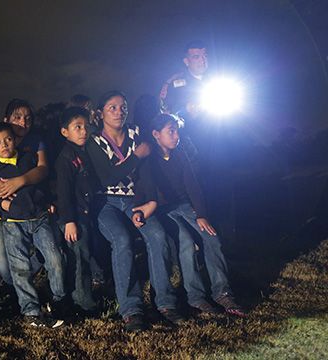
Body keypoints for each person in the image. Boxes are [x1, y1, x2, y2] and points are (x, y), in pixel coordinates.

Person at [85, 90, 184, 331]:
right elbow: (107, 177)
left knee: (157, 235)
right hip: (105, 201)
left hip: (134, 199)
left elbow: (146, 171)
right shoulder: (94, 140)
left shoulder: (135, 132)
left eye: (123, 107)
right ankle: (131, 309)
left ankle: (165, 303)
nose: (119, 112)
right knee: (121, 239)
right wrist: (135, 156)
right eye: (112, 108)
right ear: (100, 113)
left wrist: (150, 201)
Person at [145, 113, 246, 317]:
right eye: (170, 131)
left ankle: (222, 292)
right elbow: (148, 190)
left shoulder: (180, 153)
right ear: (156, 134)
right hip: (163, 209)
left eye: (177, 130)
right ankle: (196, 296)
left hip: (184, 204)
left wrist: (201, 214)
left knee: (211, 237)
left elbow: (193, 185)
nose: (176, 135)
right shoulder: (149, 158)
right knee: (186, 242)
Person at [0, 121, 66, 328]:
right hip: (12, 224)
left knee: (55, 258)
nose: (4, 144)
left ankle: (58, 300)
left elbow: (43, 181)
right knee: (19, 268)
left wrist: (49, 201)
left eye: (8, 139)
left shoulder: (29, 159)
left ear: (16, 140)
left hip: (39, 218)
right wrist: (1, 205)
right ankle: (30, 311)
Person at [0, 99, 48, 287]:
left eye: (27, 118)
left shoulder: (36, 141)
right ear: (6, 119)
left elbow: (43, 169)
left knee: (38, 253)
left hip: (26, 203)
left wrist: (20, 181)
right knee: (1, 258)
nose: (23, 123)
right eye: (17, 117)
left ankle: (23, 287)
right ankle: (14, 287)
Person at [54, 107, 99, 315]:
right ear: (65, 132)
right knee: (79, 258)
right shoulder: (65, 158)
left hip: (85, 212)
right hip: (74, 216)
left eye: (85, 126)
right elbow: (63, 191)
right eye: (77, 127)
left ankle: (84, 295)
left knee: (85, 254)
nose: (83, 131)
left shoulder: (85, 151)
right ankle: (83, 303)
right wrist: (69, 220)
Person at [158, 40, 209, 167]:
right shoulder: (177, 84)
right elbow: (168, 111)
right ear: (187, 61)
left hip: (220, 133)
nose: (202, 60)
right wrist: (186, 109)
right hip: (191, 139)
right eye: (196, 57)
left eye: (205, 56)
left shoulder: (220, 77)